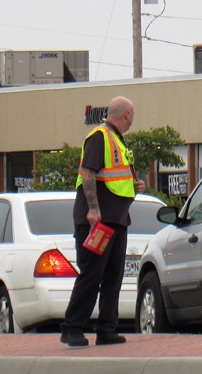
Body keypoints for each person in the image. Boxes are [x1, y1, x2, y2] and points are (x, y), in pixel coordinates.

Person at [60, 96, 145, 347]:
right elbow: (88, 172)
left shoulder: (118, 140)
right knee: (92, 275)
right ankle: (72, 329)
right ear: (127, 115)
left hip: (117, 221)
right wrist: (94, 209)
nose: (132, 121)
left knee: (112, 277)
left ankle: (107, 329)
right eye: (133, 116)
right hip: (98, 223)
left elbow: (114, 178)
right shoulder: (100, 137)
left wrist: (135, 184)